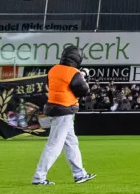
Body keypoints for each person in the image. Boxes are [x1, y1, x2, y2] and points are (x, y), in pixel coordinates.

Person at [31, 44, 98, 186]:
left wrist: (80, 75)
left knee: (71, 143)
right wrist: (83, 76)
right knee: (54, 145)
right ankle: (39, 177)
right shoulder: (74, 73)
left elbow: (58, 83)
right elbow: (83, 90)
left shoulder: (54, 69)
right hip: (65, 110)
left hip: (53, 107)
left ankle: (80, 174)